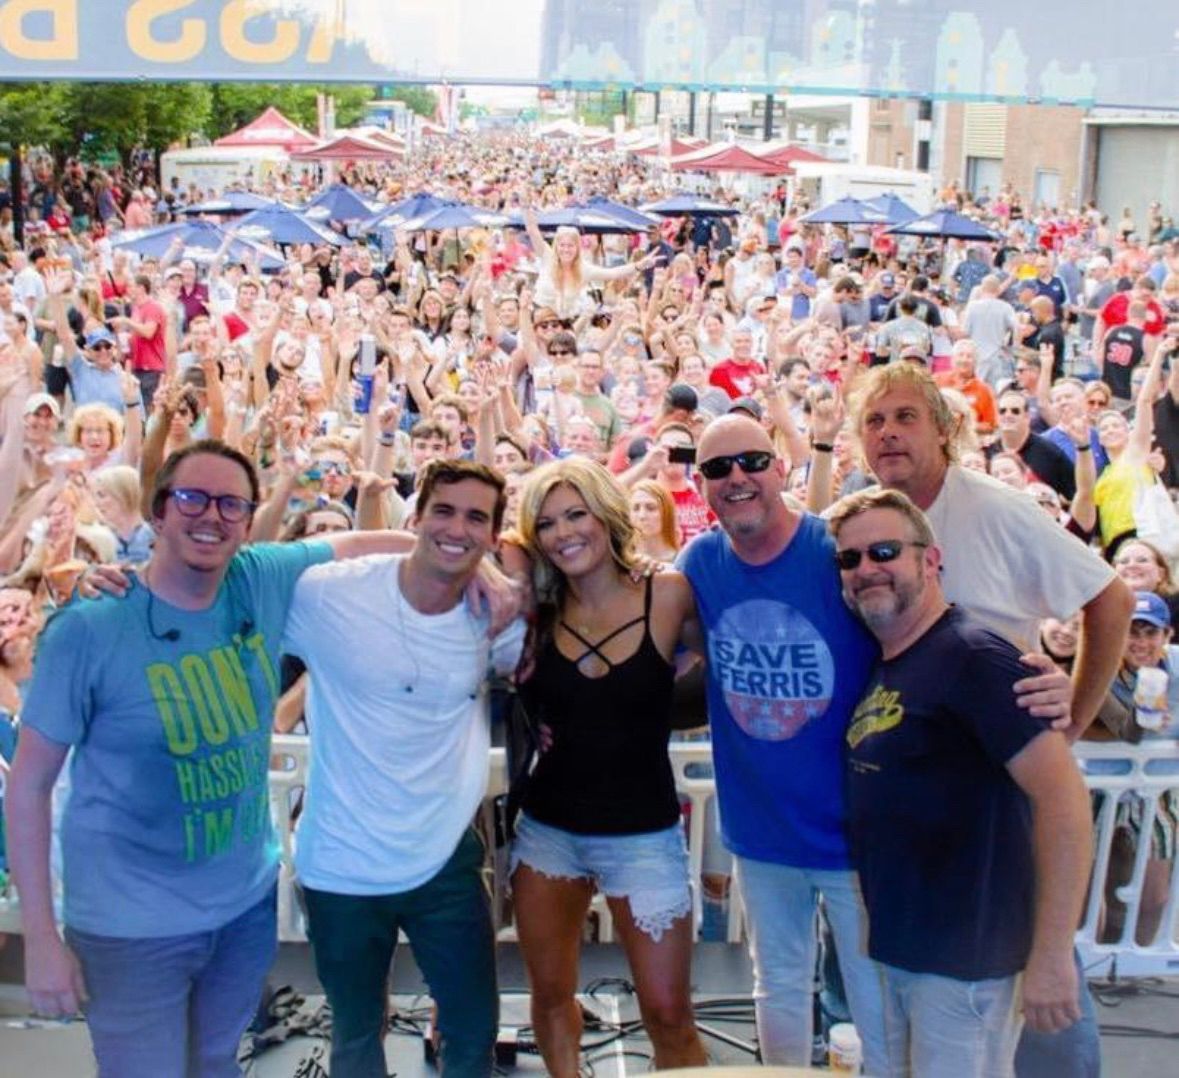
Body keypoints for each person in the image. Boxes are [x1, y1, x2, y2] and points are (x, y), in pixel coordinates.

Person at [5, 441, 513, 1077]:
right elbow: (27, 786)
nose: (210, 516)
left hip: (240, 908)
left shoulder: (258, 581)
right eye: (191, 498)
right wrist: (42, 937)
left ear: (249, 521)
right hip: (132, 923)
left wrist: (480, 568)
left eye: (230, 504)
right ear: (156, 513)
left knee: (218, 1062)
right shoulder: (92, 624)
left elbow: (359, 543)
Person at [843, 363, 1135, 1077]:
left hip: (997, 797)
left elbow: (1110, 600)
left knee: (1041, 989)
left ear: (944, 429)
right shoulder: (864, 520)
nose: (888, 433)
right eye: (874, 422)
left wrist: (1068, 710)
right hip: (916, 833)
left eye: (906, 417)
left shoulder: (995, 509)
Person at [829, 488, 1093, 1078]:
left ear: (930, 560)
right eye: (850, 559)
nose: (867, 569)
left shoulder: (976, 657)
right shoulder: (896, 657)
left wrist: (1052, 955)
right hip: (905, 950)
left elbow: (1065, 801)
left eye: (885, 551)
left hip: (966, 963)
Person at [282, 459, 525, 1078]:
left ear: (494, 536)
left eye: (476, 518)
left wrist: (493, 575)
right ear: (414, 517)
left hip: (444, 860)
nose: (457, 528)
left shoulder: (497, 617)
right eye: (442, 511)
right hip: (339, 863)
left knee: (472, 1030)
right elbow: (239, 574)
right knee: (357, 1030)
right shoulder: (331, 593)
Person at [508, 457, 707, 1077]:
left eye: (577, 514)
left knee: (670, 1015)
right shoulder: (536, 612)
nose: (564, 532)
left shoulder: (668, 593)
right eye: (547, 523)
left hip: (644, 835)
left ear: (607, 515)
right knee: (548, 995)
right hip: (549, 833)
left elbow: (721, 669)